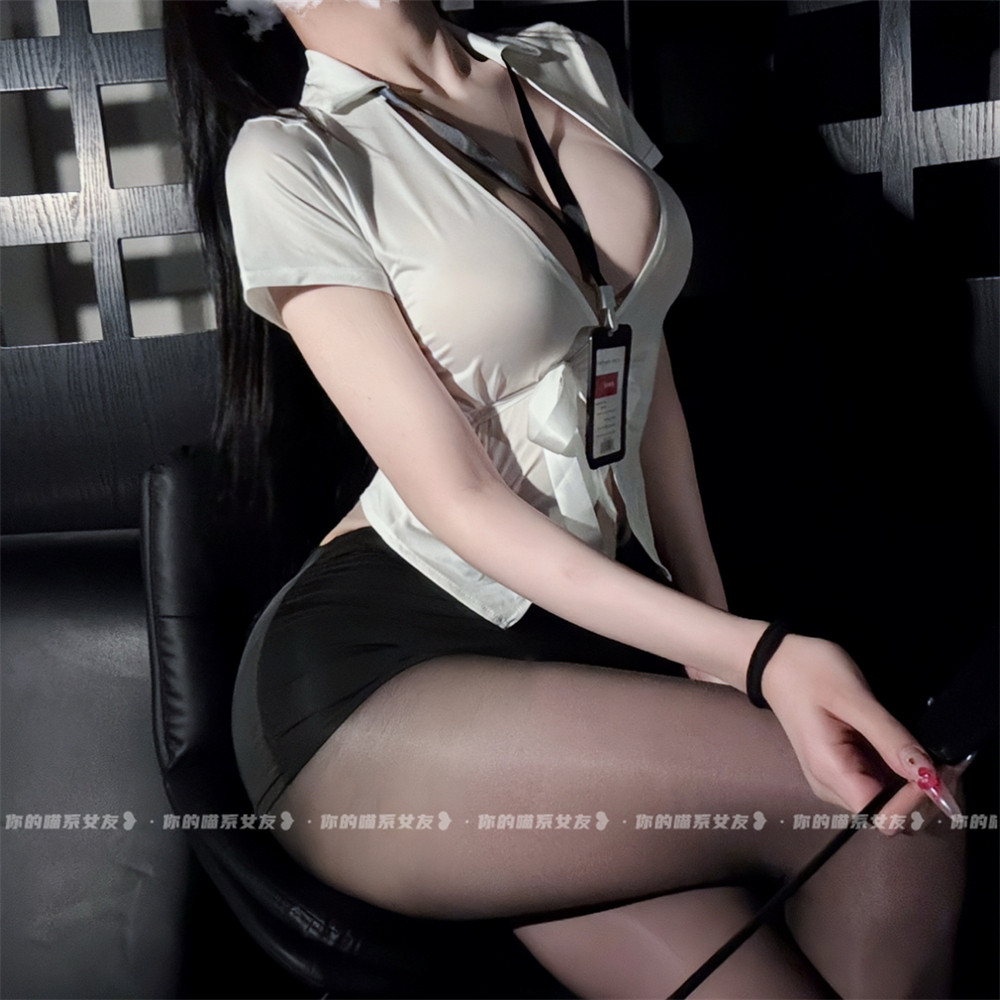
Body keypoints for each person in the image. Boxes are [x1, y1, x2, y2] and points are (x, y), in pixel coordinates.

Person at [163, 2, 968, 996]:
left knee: (886, 843)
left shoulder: (564, 67)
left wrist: (715, 642)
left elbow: (642, 372)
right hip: (383, 673)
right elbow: (458, 500)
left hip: (592, 641)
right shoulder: (292, 158)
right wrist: (761, 655)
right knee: (882, 802)